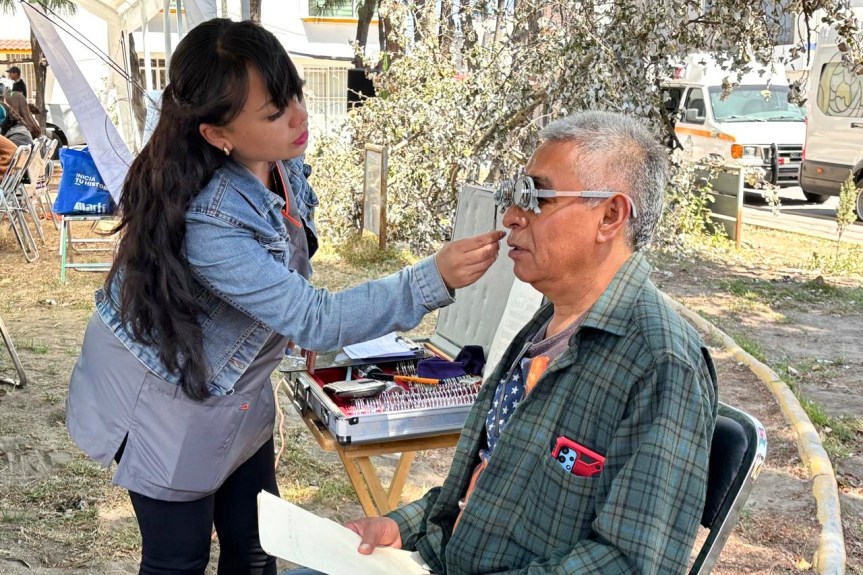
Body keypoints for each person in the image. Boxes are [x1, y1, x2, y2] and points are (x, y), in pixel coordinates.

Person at [65, 18, 502, 575]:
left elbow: (289, 272)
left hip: (236, 390)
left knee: (256, 545)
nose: (299, 116)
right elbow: (314, 318)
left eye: (294, 92)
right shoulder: (210, 219)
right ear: (217, 135)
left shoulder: (280, 159)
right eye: (274, 112)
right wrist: (430, 278)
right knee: (179, 558)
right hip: (167, 397)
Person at [323, 111, 718, 574]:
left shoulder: (661, 363)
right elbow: (489, 479)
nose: (512, 217)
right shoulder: (549, 322)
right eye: (515, 196)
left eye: (536, 198)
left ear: (610, 215)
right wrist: (401, 527)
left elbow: (627, 564)